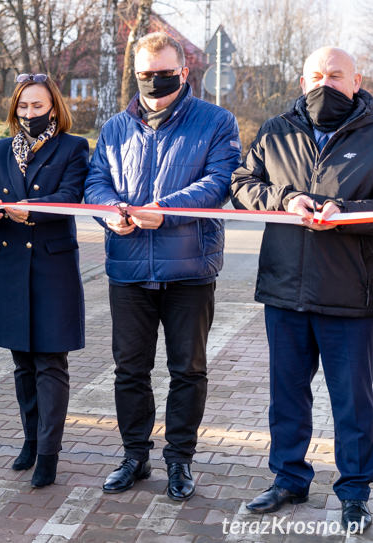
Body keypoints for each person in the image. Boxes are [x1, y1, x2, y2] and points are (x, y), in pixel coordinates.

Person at [83, 31, 241, 501]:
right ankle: (134, 456)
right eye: (145, 74)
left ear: (184, 71)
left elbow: (219, 182)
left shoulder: (216, 121)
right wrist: (109, 211)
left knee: (187, 370)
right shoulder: (114, 127)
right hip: (128, 268)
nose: (154, 81)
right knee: (129, 370)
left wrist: (164, 209)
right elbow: (96, 180)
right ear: (135, 74)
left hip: (189, 270)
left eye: (163, 72)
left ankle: (180, 460)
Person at [231, 46, 373, 531]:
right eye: (316, 74)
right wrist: (286, 198)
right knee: (287, 395)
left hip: (351, 295)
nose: (324, 83)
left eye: (336, 75)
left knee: (353, 402)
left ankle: (355, 491)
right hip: (284, 290)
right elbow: (242, 183)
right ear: (301, 80)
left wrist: (344, 214)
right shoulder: (276, 130)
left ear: (356, 81)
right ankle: (289, 479)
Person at [0, 74, 87, 488]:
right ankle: (29, 441)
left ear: (54, 108)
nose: (29, 114)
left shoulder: (73, 147)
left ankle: (49, 453)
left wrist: (32, 209)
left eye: (37, 107)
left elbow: (72, 196)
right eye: (22, 107)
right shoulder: (3, 148)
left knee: (50, 363)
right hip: (8, 265)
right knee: (22, 361)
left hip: (51, 267)